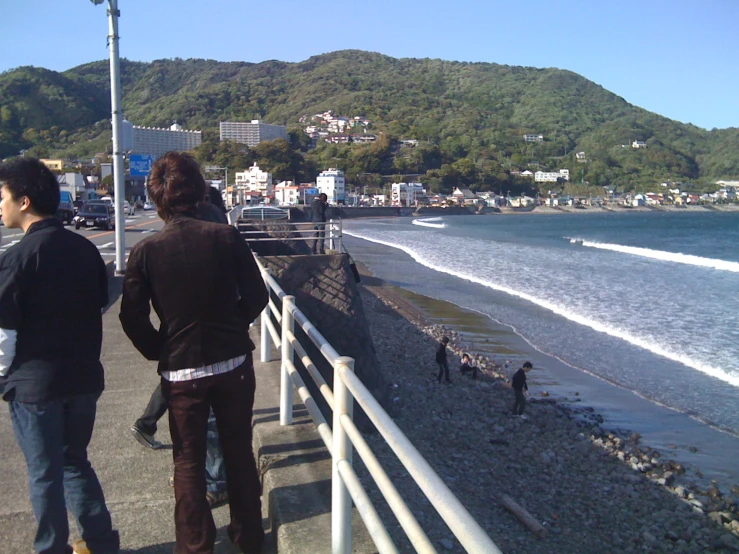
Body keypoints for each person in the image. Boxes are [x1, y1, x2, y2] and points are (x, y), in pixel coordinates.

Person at [119, 152, 268, 554]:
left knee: (187, 462)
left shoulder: (146, 251)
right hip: (233, 362)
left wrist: (161, 349)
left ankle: (195, 545)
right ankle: (249, 538)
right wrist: (233, 326)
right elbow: (258, 295)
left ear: (156, 198)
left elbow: (130, 316)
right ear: (200, 190)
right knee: (238, 452)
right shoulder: (225, 237)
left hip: (181, 372)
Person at [0, 158, 119, 554]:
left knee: (44, 473)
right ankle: (101, 542)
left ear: (24, 202)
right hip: (84, 379)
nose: (0, 206)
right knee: (74, 460)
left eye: (3, 197)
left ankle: (52, 548)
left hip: (36, 384)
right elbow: (100, 304)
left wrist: (4, 377)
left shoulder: (17, 258)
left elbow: (5, 333)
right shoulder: (86, 251)